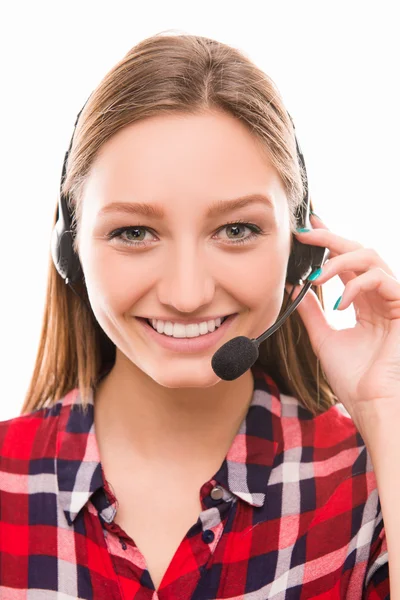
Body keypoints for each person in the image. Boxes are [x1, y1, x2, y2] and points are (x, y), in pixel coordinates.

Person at [0, 32, 396, 599]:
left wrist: (389, 411)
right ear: (71, 250)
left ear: (301, 249)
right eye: (134, 232)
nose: (187, 294)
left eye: (236, 230)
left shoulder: (373, 481)